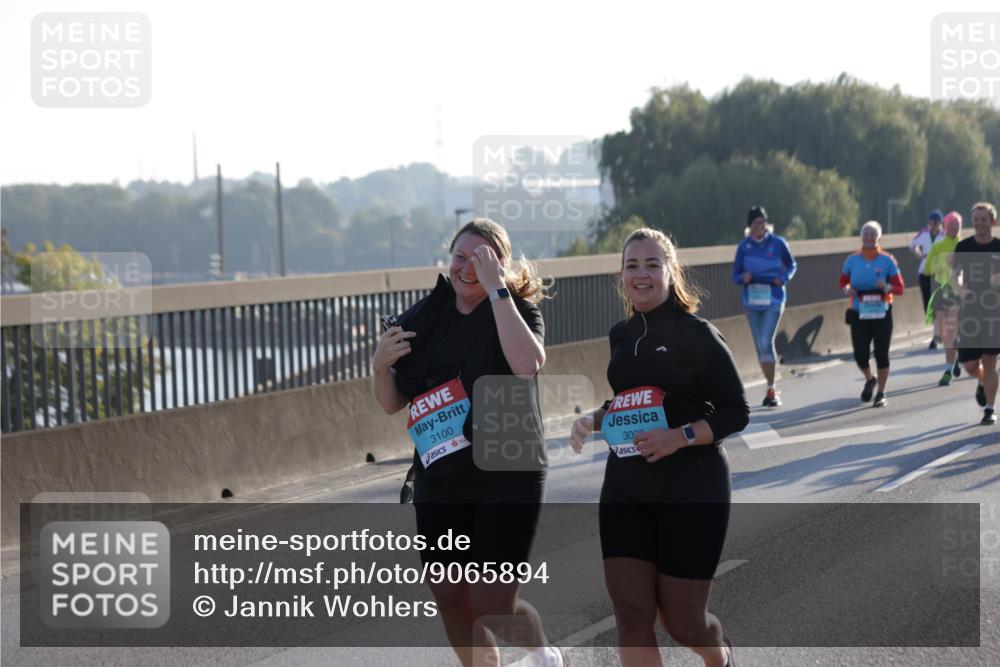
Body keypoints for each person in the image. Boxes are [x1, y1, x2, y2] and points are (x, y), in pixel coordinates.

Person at [371, 218, 567, 666]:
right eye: (460, 256)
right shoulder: (426, 316)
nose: (466, 268)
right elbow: (391, 402)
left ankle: (543, 653)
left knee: (492, 604)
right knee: (451, 597)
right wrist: (380, 367)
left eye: (480, 259)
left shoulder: (516, 309)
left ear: (499, 265)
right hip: (441, 471)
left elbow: (526, 364)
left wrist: (499, 291)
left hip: (507, 464)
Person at [568, 227, 749, 667]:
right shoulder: (621, 335)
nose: (641, 274)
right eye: (632, 265)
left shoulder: (697, 333)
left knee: (683, 622)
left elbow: (735, 411)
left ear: (671, 272)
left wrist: (679, 437)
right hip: (627, 487)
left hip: (692, 486)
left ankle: (719, 656)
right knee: (631, 615)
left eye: (652, 264)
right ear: (621, 275)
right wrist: (592, 420)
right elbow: (629, 400)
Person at [731, 205, 797, 407]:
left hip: (774, 298)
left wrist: (783, 277)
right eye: (756, 223)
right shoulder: (744, 247)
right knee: (760, 348)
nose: (760, 226)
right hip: (752, 301)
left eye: (763, 222)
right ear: (749, 227)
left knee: (764, 341)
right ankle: (770, 388)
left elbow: (792, 265)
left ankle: (771, 387)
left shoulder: (778, 243)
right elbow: (735, 275)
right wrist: (744, 277)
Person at [839, 221, 905, 407]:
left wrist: (886, 287)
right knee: (860, 354)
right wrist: (847, 289)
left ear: (878, 237)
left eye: (872, 234)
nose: (869, 237)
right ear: (861, 236)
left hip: (881, 312)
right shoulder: (852, 260)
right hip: (859, 311)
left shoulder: (887, 260)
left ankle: (882, 393)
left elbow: (900, 288)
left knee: (881, 354)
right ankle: (870, 379)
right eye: (866, 234)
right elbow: (843, 282)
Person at [952, 202, 1000, 426]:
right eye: (976, 219)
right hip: (970, 311)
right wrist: (961, 288)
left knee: (990, 361)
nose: (980, 223)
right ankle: (982, 381)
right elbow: (955, 276)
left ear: (993, 221)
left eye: (984, 219)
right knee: (971, 365)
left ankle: (990, 408)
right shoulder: (963, 247)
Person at [924, 211, 964, 386]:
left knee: (952, 329)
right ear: (945, 227)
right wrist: (943, 263)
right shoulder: (938, 246)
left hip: (958, 292)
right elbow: (927, 269)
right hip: (942, 291)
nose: (954, 229)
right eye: (951, 226)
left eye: (957, 226)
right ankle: (954, 358)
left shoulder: (965, 245)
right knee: (943, 332)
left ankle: (947, 370)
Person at [909, 210, 946, 348]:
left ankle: (936, 336)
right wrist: (919, 254)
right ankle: (938, 331)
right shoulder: (923, 233)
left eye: (936, 223)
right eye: (930, 222)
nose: (933, 225)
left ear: (940, 223)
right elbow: (912, 245)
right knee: (928, 303)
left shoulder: (944, 235)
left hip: (939, 272)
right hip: (924, 271)